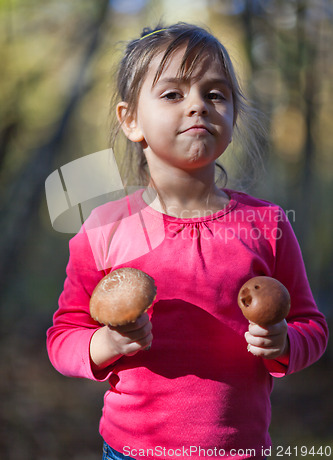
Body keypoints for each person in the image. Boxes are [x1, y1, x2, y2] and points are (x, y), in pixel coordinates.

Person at [47, 23, 328, 460]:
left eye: (215, 94)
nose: (198, 105)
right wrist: (105, 344)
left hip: (239, 450)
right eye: (173, 94)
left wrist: (285, 341)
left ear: (233, 119)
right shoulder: (102, 228)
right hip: (130, 451)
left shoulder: (267, 223)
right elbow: (63, 336)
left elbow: (313, 325)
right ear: (131, 120)